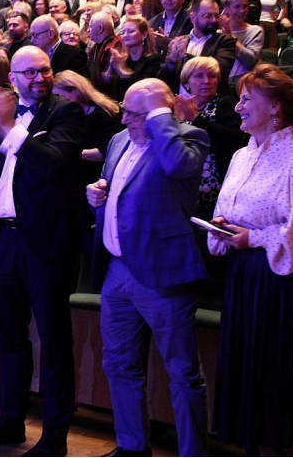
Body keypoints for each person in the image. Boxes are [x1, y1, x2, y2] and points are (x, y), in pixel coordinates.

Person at [0, 46, 85, 457]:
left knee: (52, 341)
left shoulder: (65, 113)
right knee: (10, 339)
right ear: (12, 78)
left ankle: (54, 438)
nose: (40, 78)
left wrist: (11, 127)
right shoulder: (0, 121)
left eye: (45, 70)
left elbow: (54, 162)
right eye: (29, 72)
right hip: (4, 241)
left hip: (45, 244)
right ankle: (11, 423)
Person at [209, 65, 293, 453]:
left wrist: (256, 237)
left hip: (282, 285)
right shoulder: (239, 157)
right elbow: (230, 209)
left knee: (275, 378)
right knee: (247, 375)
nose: (240, 106)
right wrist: (222, 226)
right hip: (243, 278)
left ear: (276, 108)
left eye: (248, 99)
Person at [86, 78, 209, 457]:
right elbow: (117, 190)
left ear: (159, 112)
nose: (124, 121)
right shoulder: (119, 141)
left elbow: (177, 167)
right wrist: (98, 195)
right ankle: (132, 446)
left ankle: (192, 453)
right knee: (118, 363)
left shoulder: (189, 139)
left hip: (163, 273)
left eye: (135, 114)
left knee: (182, 372)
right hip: (118, 270)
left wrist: (159, 116)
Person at [174, 57, 245, 219]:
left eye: (212, 76)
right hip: (184, 186)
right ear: (186, 83)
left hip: (216, 187)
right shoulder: (177, 108)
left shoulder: (226, 103)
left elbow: (232, 139)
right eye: (199, 76)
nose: (206, 81)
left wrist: (195, 118)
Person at [52, 71, 122, 187]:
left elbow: (111, 150)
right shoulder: (67, 115)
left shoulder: (105, 113)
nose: (60, 102)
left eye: (62, 97)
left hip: (98, 178)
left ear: (76, 90)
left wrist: (74, 154)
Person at [159, 0, 237, 96]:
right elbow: (162, 79)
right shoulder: (180, 40)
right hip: (178, 101)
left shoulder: (225, 41)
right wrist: (172, 61)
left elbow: (220, 69)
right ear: (193, 17)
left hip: (211, 104)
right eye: (208, 16)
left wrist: (185, 56)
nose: (214, 20)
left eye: (216, 16)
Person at [104, 18, 164, 102]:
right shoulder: (123, 59)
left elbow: (142, 88)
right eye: (123, 32)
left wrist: (121, 69)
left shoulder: (155, 60)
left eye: (130, 31)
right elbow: (106, 86)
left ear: (144, 35)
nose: (125, 35)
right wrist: (111, 67)